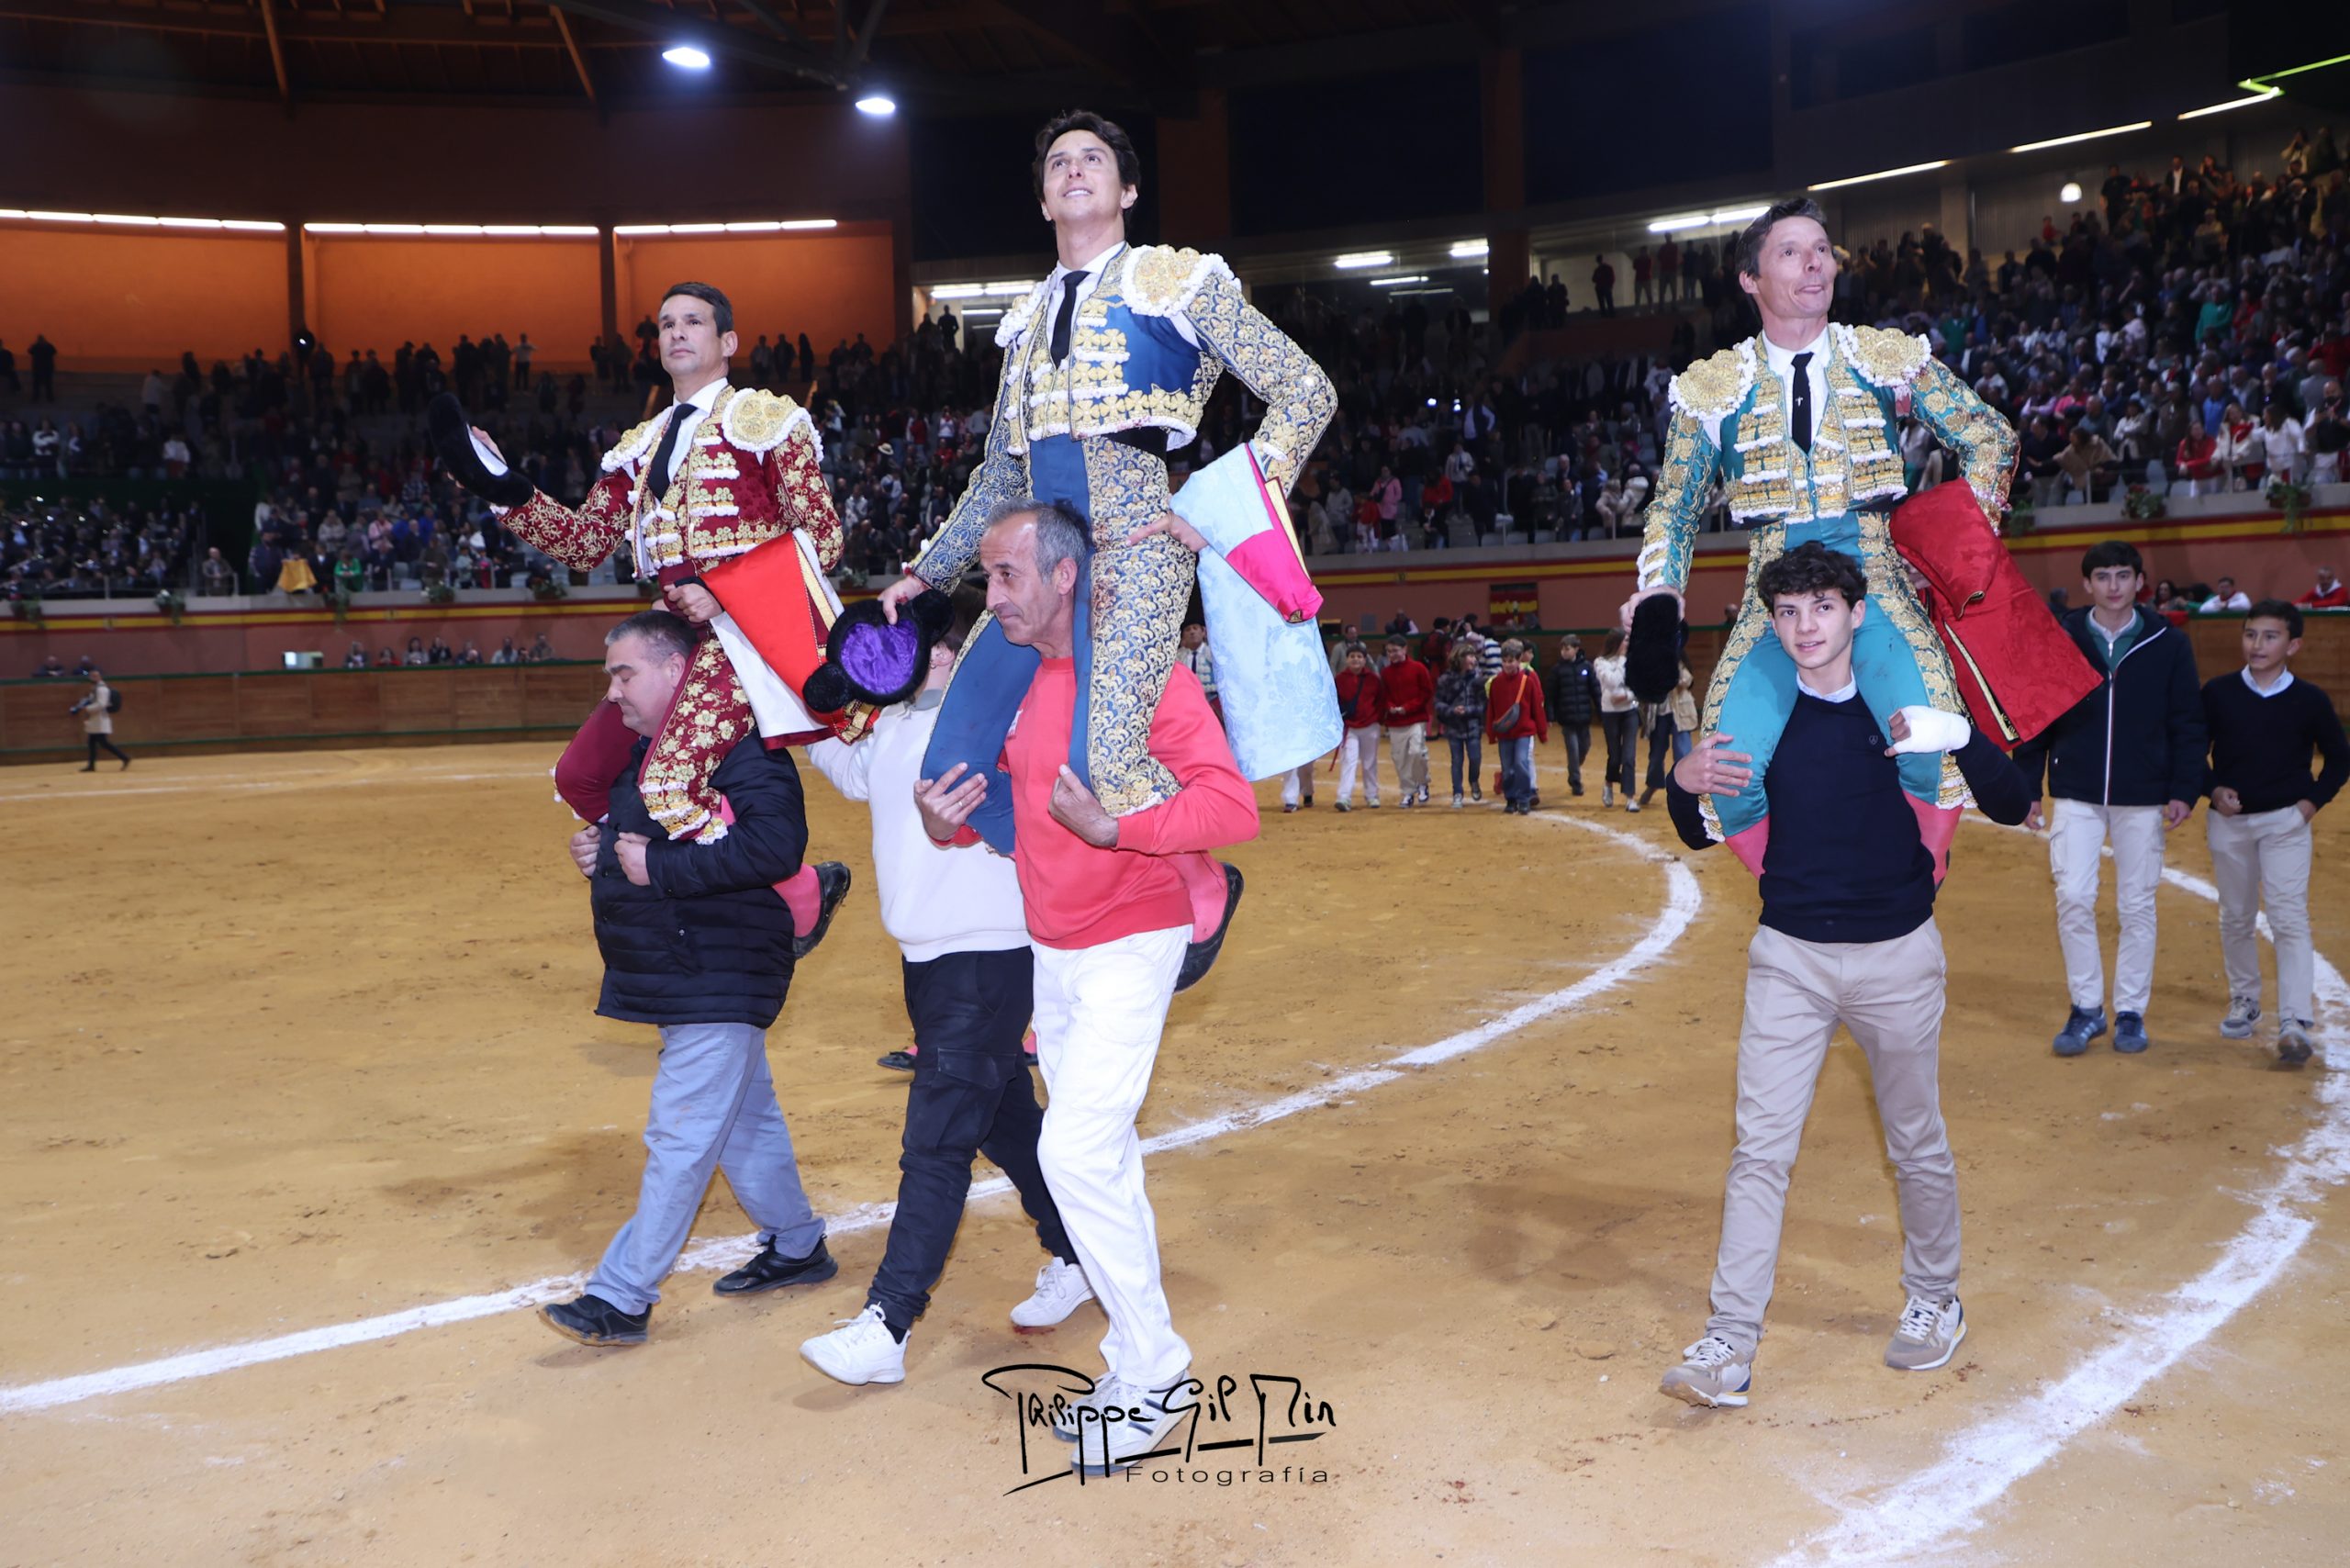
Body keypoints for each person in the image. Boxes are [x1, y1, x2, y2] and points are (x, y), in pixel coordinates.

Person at [874, 109, 1332, 971]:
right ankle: (1072, 888)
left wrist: (1226, 508)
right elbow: (1002, 478)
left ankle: (1193, 881)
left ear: (1125, 191)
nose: (1074, 170)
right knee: (950, 759)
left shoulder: (1177, 284)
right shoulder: (1023, 321)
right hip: (1034, 572)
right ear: (1044, 199)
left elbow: (1305, 391)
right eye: (1058, 163)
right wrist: (926, 575)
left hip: (1137, 553)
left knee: (1106, 764)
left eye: (1093, 160)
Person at [912, 500, 1259, 1477]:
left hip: (1129, 940)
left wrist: (1121, 831)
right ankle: (1131, 1360)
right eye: (986, 577)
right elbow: (1019, 817)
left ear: (1066, 575)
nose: (992, 596)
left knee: (1072, 1149)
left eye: (1008, 575)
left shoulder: (1138, 672)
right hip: (1053, 952)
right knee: (1100, 1158)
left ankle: (1154, 1371)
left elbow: (1229, 806)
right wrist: (948, 825)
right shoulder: (1020, 679)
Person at [1658, 542, 2032, 1409]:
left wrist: (1964, 736)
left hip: (1898, 954)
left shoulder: (1906, 708)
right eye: (1787, 613)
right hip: (1788, 956)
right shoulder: (1763, 715)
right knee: (1759, 1152)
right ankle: (1729, 1345)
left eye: (1821, 608)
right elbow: (1694, 827)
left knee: (1916, 1141)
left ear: (1857, 614)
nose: (1804, 628)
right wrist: (1680, 784)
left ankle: (1936, 1299)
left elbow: (2014, 805)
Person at [1628, 198, 2016, 874]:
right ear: (1750, 279)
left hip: (1874, 579)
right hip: (1770, 590)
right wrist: (1660, 594)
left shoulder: (1883, 356)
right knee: (1729, 770)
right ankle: (1791, 889)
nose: (1815, 263)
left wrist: (1952, 549)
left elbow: (1991, 439)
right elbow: (1674, 506)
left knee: (1928, 745)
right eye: (1791, 251)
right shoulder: (1713, 387)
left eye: (1821, 248)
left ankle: (1915, 884)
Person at [796, 588, 1092, 1385]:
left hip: (987, 962)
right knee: (1002, 1121)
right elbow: (850, 768)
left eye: (917, 647)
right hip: (929, 965)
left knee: (936, 1140)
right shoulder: (895, 729)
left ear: (950, 656)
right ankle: (1079, 1248)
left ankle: (888, 1323)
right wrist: (787, 697)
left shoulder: (996, 729)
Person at [449, 282, 849, 846]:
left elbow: (824, 538)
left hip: (746, 636)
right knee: (580, 777)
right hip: (669, 639)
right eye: (666, 325)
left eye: (693, 321)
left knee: (668, 785)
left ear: (728, 340)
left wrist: (725, 591)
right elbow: (584, 543)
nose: (677, 332)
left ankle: (794, 897)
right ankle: (668, 886)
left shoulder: (767, 419)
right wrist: (498, 483)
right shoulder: (642, 443)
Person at [539, 611, 835, 1347]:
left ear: (677, 670)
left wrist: (651, 865)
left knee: (683, 1136)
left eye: (624, 673)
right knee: (742, 1123)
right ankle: (798, 1245)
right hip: (690, 970)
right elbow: (650, 849)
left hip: (718, 970)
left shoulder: (740, 743)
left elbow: (773, 845)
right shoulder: (657, 754)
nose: (612, 693)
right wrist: (603, 852)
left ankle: (621, 1296)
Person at [2012, 542, 2206, 1057]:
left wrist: (2185, 787)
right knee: (2073, 896)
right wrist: (2027, 788)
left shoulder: (2168, 641)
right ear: (2088, 585)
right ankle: (2087, 1008)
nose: (2114, 585)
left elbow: (2188, 721)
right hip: (2076, 788)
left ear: (2140, 582)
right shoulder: (2063, 635)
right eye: (2104, 576)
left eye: (2124, 575)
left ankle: (2131, 1012)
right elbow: (2038, 715)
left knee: (2137, 905)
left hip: (2143, 794)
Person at [2201, 600, 2349, 1066]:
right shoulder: (2219, 693)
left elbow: (2340, 758)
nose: (2257, 644)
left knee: (2288, 917)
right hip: (2229, 821)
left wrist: (2309, 805)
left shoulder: (2310, 699)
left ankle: (2295, 1019)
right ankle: (2245, 999)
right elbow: (2190, 750)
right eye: (2251, 634)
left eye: (2269, 636)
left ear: (2294, 645)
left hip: (2286, 821)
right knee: (2236, 915)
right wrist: (2211, 788)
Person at [1486, 639, 1549, 814]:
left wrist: (1542, 732)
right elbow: (1492, 709)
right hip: (1505, 734)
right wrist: (1492, 734)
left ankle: (1523, 798)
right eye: (1504, 661)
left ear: (1519, 659)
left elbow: (1537, 708)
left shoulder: (1528, 682)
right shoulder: (1496, 683)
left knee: (1521, 763)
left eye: (1511, 661)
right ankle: (1511, 798)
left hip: (1524, 732)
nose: (1507, 665)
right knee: (1507, 768)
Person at [1377, 637, 1435, 807]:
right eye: (1389, 651)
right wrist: (1391, 707)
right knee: (1400, 758)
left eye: (1395, 650)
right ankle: (1408, 792)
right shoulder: (1386, 673)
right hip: (1396, 722)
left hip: (1415, 719)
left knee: (1417, 752)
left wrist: (1408, 708)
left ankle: (1422, 783)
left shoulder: (1418, 668)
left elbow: (1426, 692)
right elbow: (1384, 696)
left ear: (1405, 649)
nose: (1392, 654)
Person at [1331, 642, 1383, 811]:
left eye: (1359, 657)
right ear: (1346, 660)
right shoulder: (1339, 680)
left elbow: (1380, 701)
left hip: (1370, 726)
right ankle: (1344, 797)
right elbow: (1334, 702)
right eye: (1352, 656)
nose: (1356, 660)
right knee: (1348, 762)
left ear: (1365, 660)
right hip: (1349, 728)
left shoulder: (1373, 679)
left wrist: (1378, 719)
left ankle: (1372, 795)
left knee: (1369, 763)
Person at [1433, 643, 1486, 808]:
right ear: (1460, 658)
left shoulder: (1478, 679)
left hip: (1472, 725)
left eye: (1473, 656)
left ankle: (1473, 780)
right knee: (1457, 760)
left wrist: (1469, 710)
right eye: (1469, 656)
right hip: (1454, 726)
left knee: (1475, 758)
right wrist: (1451, 710)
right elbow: (1438, 703)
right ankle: (1457, 792)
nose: (1473, 659)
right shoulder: (1445, 680)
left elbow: (1483, 705)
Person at [1545, 633, 1597, 796]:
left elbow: (1595, 690)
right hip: (1567, 718)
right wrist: (1550, 715)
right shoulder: (1557, 670)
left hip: (1584, 717)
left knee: (1585, 746)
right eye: (1562, 648)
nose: (1564, 652)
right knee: (1573, 751)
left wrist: (1601, 710)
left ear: (1576, 649)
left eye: (1567, 648)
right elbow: (1550, 695)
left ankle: (1574, 768)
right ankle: (1575, 780)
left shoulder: (1587, 667)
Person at [1594, 630, 1639, 809]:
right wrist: (1622, 660)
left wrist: (1627, 696)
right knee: (1615, 756)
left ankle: (1630, 798)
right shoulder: (1600, 662)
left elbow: (1639, 685)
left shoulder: (1633, 660)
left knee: (1629, 756)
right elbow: (1612, 681)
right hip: (1610, 712)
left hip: (1630, 711)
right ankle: (1608, 783)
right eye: (1625, 641)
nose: (1627, 644)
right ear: (1616, 642)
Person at [70, 670, 129, 771]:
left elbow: (102, 704)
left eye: (95, 676)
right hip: (96, 719)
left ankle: (124, 758)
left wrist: (87, 708)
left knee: (103, 743)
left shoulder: (101, 689)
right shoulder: (96, 689)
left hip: (100, 719)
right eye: (92, 677)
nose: (92, 679)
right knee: (93, 742)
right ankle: (91, 765)